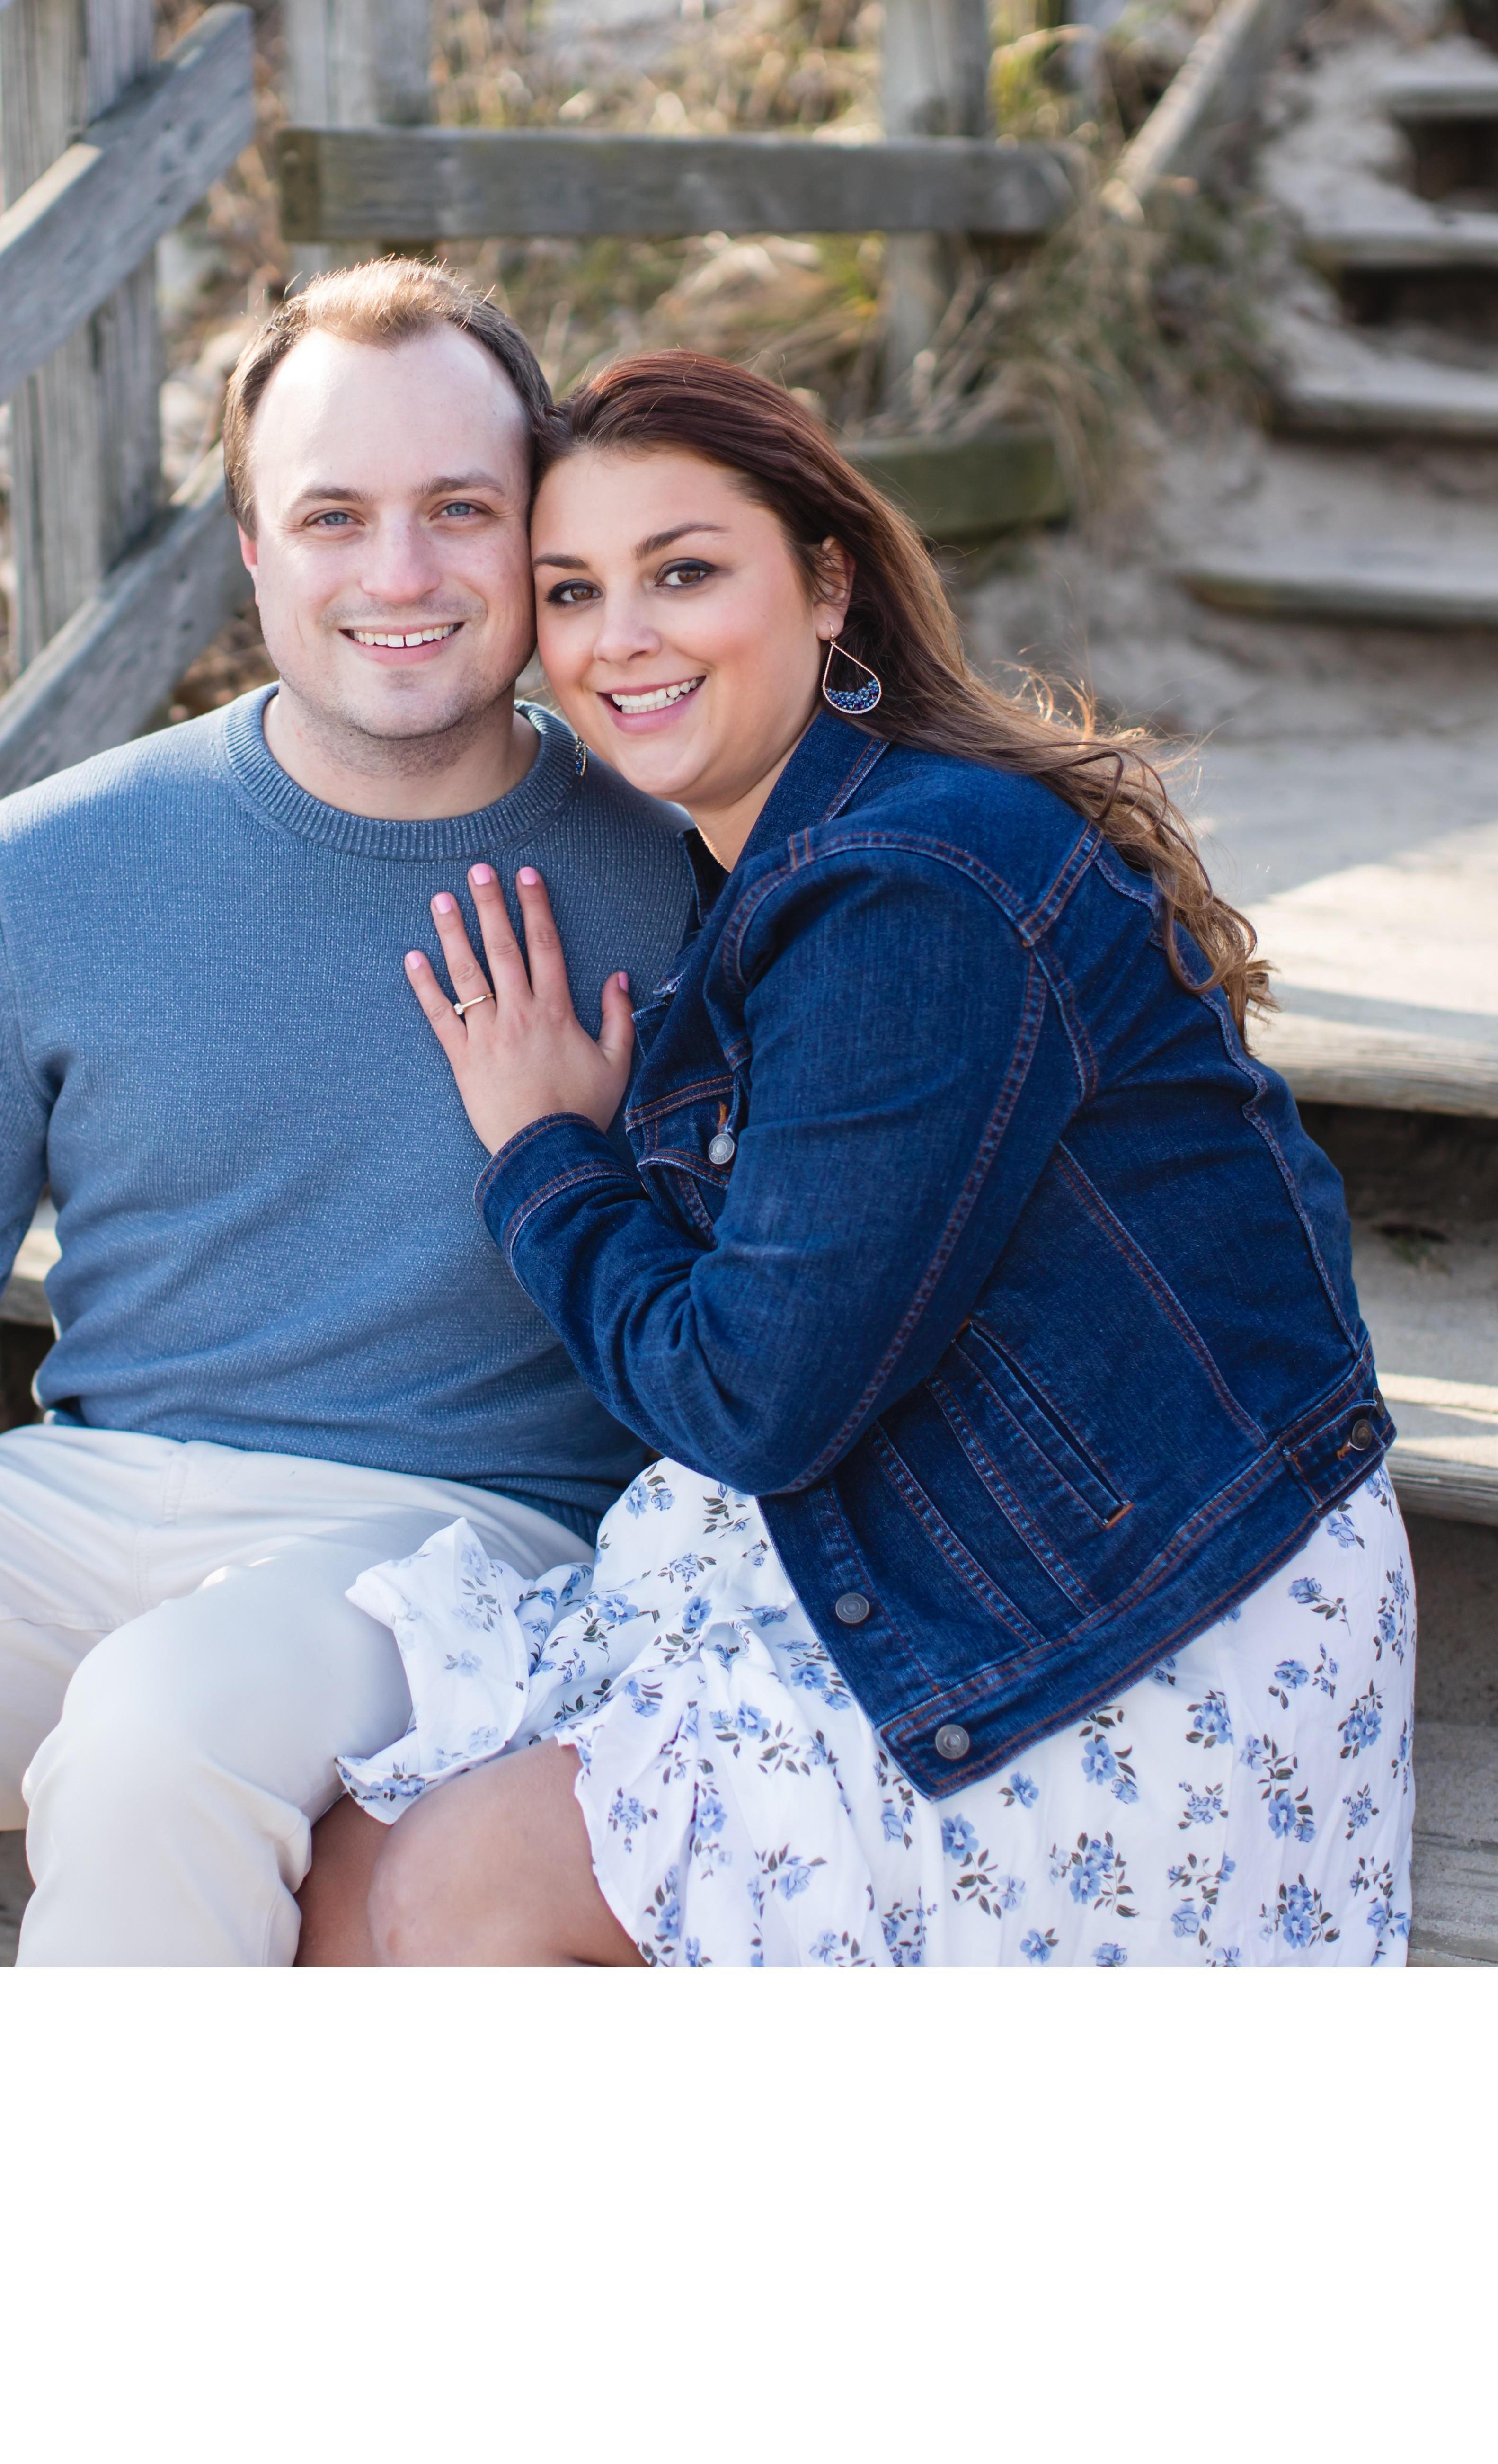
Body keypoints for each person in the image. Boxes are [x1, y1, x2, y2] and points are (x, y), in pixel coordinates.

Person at [0, 262, 699, 1964]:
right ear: (252, 549)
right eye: (332, 516)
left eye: (458, 508)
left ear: (535, 524)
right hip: (96, 1490)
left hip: (462, 1543)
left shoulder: (674, 861)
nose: (397, 573)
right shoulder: (58, 860)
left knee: (159, 1729)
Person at [298, 352, 1416, 1968]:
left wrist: (546, 1155)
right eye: (570, 590)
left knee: (465, 1880)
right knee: (344, 1860)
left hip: (1153, 1620)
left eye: (683, 572)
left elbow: (754, 1398)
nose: (620, 637)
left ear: (827, 585)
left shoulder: (910, 887)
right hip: (960, 1526)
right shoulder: (789, 857)